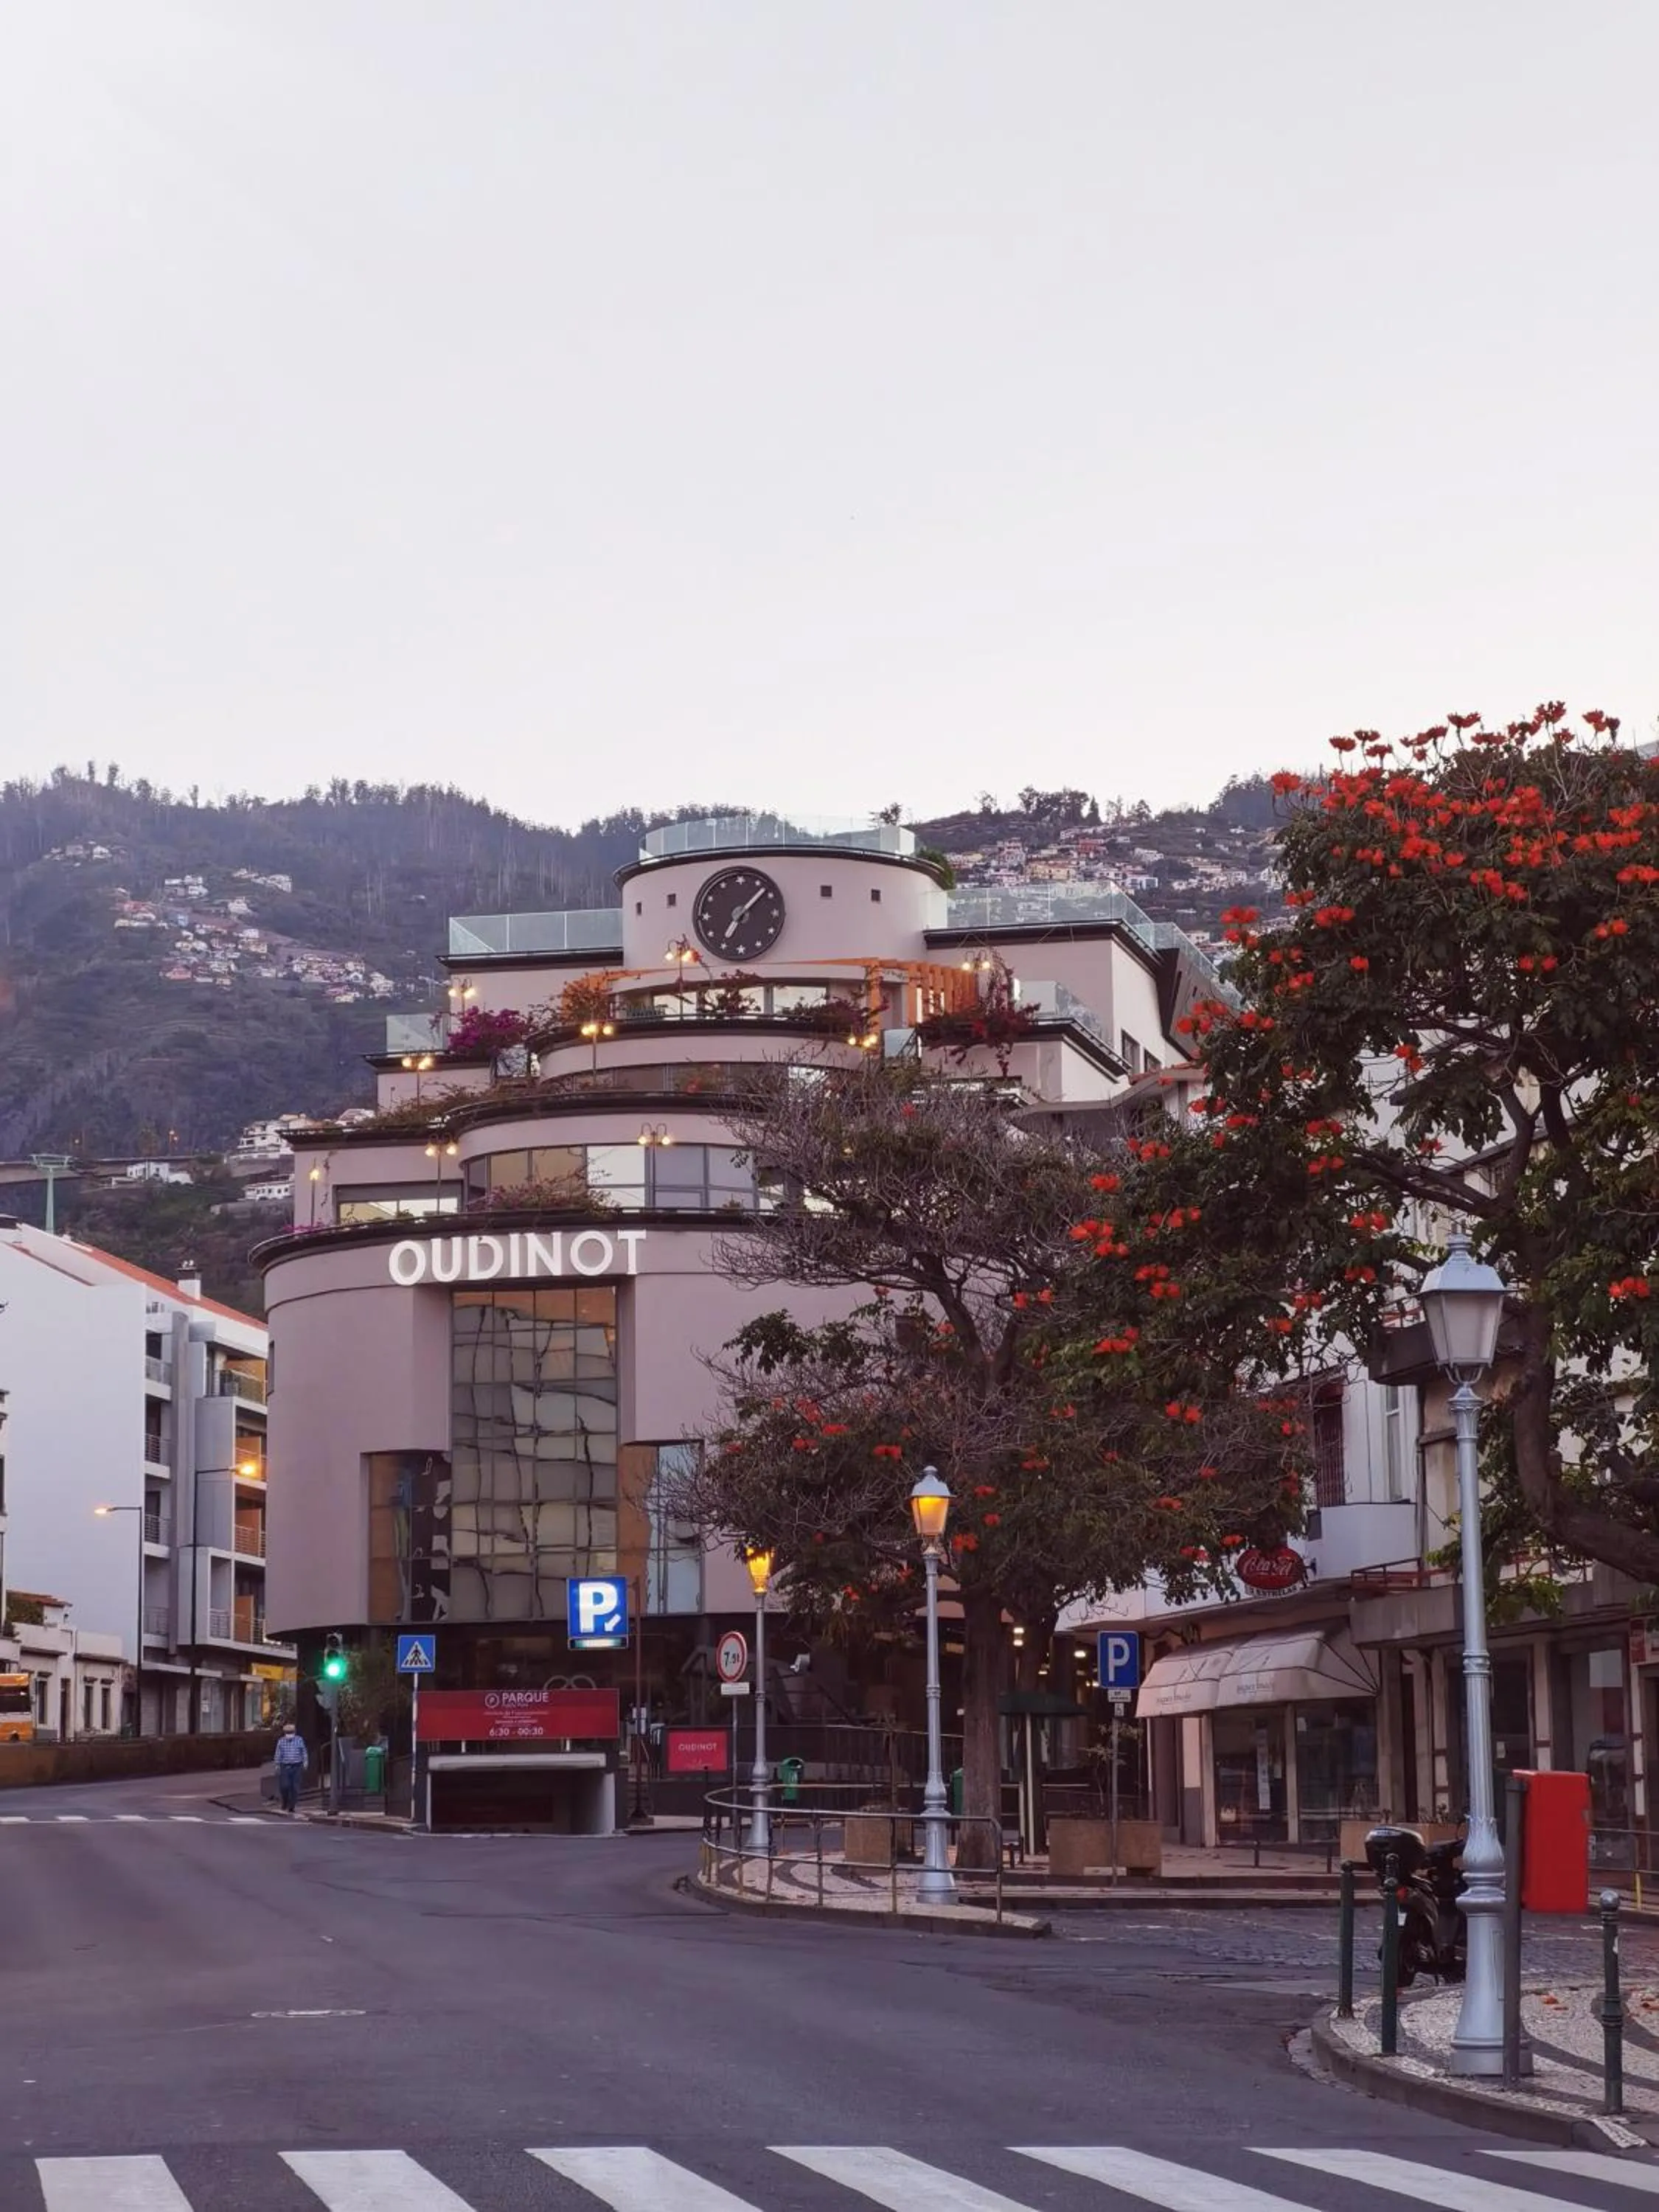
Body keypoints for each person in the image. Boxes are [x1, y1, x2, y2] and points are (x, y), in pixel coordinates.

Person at [273, 1721, 308, 1814]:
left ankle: (292, 1806)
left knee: (295, 1787)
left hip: (297, 1766)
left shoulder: (299, 1740)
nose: (289, 1735)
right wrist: (277, 1765)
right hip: (285, 1766)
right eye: (288, 1733)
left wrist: (305, 1762)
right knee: (285, 1786)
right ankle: (285, 1802)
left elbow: (303, 1752)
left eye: (291, 1733)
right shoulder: (281, 1741)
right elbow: (278, 1754)